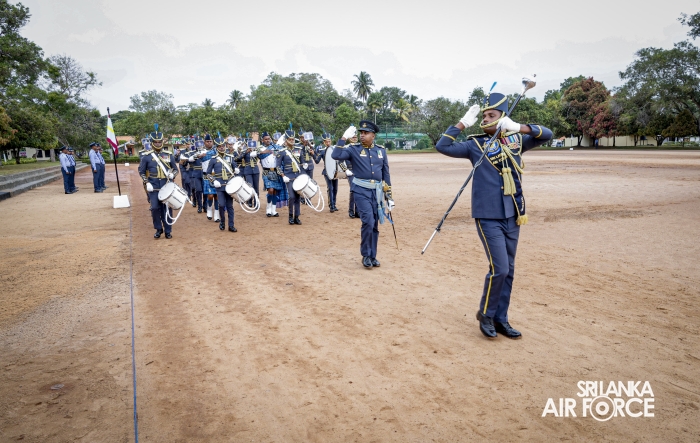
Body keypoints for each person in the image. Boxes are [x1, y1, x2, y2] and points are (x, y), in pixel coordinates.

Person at [435, 92, 553, 339]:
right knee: (499, 268)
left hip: (513, 213)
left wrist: (518, 128)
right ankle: (486, 314)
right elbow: (442, 146)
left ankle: (501, 319)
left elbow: (548, 134)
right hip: (488, 215)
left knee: (509, 270)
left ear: (503, 118)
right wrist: (462, 123)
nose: (486, 119)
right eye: (484, 115)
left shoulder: (517, 141)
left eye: (492, 115)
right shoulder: (475, 145)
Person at [332, 121, 394, 268]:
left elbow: (386, 173)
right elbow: (335, 155)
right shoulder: (353, 149)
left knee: (375, 224)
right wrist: (343, 138)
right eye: (361, 133)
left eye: (365, 133)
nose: (362, 135)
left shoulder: (381, 150)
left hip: (377, 192)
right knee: (368, 221)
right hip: (361, 191)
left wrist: (389, 196)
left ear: (373, 135)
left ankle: (373, 255)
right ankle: (365, 255)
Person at [138, 126, 178, 239]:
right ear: (152, 142)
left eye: (159, 141)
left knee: (167, 208)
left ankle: (168, 230)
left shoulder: (168, 154)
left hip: (166, 185)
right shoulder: (146, 156)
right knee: (155, 208)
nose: (158, 143)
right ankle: (158, 228)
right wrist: (147, 182)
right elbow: (141, 171)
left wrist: (172, 175)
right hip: (153, 186)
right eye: (155, 142)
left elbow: (175, 169)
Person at [206, 137, 237, 232]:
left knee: (230, 206)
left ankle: (231, 225)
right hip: (219, 186)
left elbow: (235, 169)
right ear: (216, 148)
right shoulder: (213, 159)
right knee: (221, 204)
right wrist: (214, 180)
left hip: (229, 185)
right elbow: (208, 173)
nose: (221, 148)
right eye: (219, 146)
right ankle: (222, 221)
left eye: (223, 146)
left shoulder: (230, 157)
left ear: (225, 146)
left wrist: (236, 170)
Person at [276, 129, 305, 225]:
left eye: (293, 139)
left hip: (298, 176)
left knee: (297, 197)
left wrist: (304, 165)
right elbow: (278, 166)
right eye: (290, 139)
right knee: (292, 196)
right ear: (286, 140)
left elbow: (302, 162)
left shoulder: (298, 149)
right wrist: (283, 175)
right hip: (288, 177)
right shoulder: (282, 151)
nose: (292, 141)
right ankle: (290, 216)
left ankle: (297, 217)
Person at [258, 132, 287, 217]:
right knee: (270, 190)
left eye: (268, 139)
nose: (268, 140)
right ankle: (268, 208)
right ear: (262, 140)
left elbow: (282, 152)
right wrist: (267, 151)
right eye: (266, 139)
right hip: (266, 172)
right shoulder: (260, 148)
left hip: (276, 171)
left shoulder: (275, 147)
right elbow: (256, 154)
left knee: (275, 191)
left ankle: (273, 210)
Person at [313, 132, 339, 212]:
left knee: (335, 189)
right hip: (327, 172)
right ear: (324, 142)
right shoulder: (322, 151)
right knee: (330, 188)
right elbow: (317, 161)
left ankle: (334, 204)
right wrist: (313, 154)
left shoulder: (334, 149)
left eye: (329, 141)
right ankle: (331, 205)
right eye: (326, 142)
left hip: (335, 171)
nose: (328, 143)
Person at [234, 135, 261, 202]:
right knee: (249, 186)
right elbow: (237, 158)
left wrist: (257, 152)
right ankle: (249, 201)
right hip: (248, 170)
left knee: (256, 187)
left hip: (255, 169)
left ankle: (256, 201)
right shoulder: (244, 151)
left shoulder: (256, 150)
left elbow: (261, 157)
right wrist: (246, 152)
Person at [201, 134, 221, 222]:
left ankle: (216, 213)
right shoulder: (201, 151)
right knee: (210, 195)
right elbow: (196, 157)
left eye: (210, 141)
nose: (209, 143)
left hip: (216, 175)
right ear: (204, 142)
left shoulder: (216, 151)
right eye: (207, 141)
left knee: (217, 196)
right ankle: (209, 208)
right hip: (207, 175)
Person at [188, 136, 206, 213]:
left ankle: (205, 206)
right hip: (196, 173)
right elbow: (190, 159)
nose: (199, 145)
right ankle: (200, 206)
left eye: (201, 143)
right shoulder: (192, 152)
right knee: (198, 190)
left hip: (205, 173)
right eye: (198, 143)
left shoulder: (206, 151)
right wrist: (198, 155)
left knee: (205, 191)